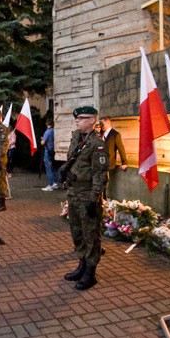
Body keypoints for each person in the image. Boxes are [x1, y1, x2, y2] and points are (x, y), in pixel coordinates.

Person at [62, 106, 109, 291]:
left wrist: (94, 198)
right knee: (77, 231)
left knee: (91, 234)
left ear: (92, 120)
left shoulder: (98, 144)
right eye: (77, 118)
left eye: (81, 118)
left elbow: (100, 174)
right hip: (73, 193)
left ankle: (91, 271)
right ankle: (82, 264)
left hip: (87, 194)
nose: (77, 121)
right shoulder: (76, 138)